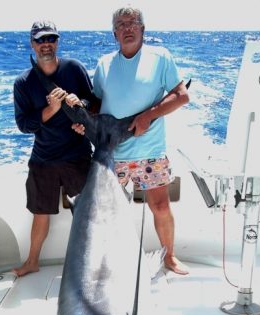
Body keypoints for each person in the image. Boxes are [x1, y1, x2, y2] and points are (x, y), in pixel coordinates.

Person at [78, 6, 190, 275]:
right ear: (114, 33)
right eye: (121, 24)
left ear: (142, 29)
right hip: (112, 153)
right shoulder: (104, 64)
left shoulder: (160, 57)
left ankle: (170, 257)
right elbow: (97, 102)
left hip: (149, 149)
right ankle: (107, 263)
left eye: (133, 23)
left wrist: (148, 116)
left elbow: (182, 95)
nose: (127, 28)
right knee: (108, 212)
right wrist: (80, 114)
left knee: (160, 205)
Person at [12, 21, 95, 277]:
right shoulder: (23, 83)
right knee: (40, 213)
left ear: (57, 42)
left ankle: (89, 265)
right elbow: (24, 124)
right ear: (32, 44)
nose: (46, 44)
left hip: (77, 156)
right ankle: (32, 261)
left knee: (84, 215)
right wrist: (51, 109)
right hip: (43, 158)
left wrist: (78, 102)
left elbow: (93, 100)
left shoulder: (74, 68)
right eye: (40, 40)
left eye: (51, 38)